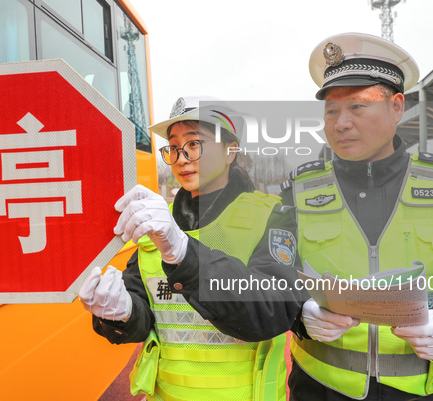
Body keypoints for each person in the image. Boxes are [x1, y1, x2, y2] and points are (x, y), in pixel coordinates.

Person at [143, 33, 433, 401]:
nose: (340, 122)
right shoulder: (298, 194)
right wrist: (300, 313)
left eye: (357, 106)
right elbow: (271, 283)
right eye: (331, 110)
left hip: (419, 392)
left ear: (396, 107)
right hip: (318, 390)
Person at [79, 95, 287, 401]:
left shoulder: (273, 217)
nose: (180, 158)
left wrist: (183, 252)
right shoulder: (156, 224)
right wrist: (121, 313)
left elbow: (273, 311)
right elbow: (145, 315)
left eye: (193, 144)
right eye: (173, 148)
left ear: (231, 151)